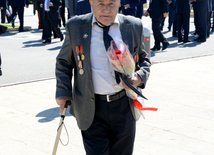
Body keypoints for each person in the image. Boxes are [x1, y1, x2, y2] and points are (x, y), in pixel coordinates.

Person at [55, 0, 151, 154]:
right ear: (91, 3)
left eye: (111, 3)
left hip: (124, 107)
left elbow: (144, 58)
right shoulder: (76, 27)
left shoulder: (133, 25)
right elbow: (64, 61)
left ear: (119, 2)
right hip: (92, 109)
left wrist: (138, 78)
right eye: (100, 3)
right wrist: (63, 91)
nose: (106, 9)